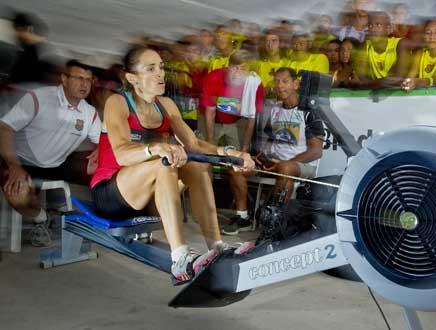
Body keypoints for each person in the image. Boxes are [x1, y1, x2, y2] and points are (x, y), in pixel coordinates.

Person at [90, 46, 255, 284]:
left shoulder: (166, 105)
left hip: (148, 196)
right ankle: (179, 258)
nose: (160, 74)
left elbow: (194, 144)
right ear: (132, 78)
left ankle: (217, 247)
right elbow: (122, 155)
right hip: (111, 193)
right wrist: (155, 148)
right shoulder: (118, 103)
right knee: (164, 161)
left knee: (196, 167)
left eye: (161, 67)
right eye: (151, 69)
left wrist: (230, 154)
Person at [0, 60, 100, 243]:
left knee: (100, 166)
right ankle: (42, 218)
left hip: (57, 164)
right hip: (23, 161)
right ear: (64, 79)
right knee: (19, 195)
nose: (84, 84)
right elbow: (5, 128)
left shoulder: (89, 112)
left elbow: (103, 140)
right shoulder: (38, 98)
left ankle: (87, 218)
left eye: (88, 79)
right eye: (79, 78)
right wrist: (13, 165)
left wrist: (101, 149)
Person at [222, 67, 324, 235]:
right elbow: (269, 143)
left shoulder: (309, 112)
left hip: (299, 166)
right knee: (236, 166)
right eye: (276, 81)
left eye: (285, 81)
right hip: (275, 164)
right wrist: (263, 158)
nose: (279, 86)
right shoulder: (275, 109)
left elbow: (316, 151)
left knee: (285, 169)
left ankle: (275, 223)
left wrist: (285, 163)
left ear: (296, 84)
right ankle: (242, 217)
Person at [401, 21, 436, 90]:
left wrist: (418, 82)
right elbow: (412, 74)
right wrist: (408, 82)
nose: (432, 37)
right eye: (428, 33)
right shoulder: (420, 53)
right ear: (424, 36)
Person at [254, 30, 290, 96]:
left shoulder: (289, 64)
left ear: (280, 44)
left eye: (274, 41)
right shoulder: (258, 65)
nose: (270, 45)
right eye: (267, 41)